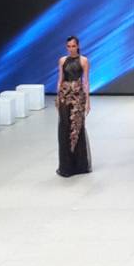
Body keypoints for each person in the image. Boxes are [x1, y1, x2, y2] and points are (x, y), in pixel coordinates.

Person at [55, 36, 91, 177]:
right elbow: (60, 80)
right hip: (64, 98)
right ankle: (66, 166)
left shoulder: (84, 61)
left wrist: (88, 101)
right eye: (68, 46)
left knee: (77, 128)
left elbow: (86, 82)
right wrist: (58, 97)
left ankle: (79, 165)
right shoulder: (62, 60)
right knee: (64, 128)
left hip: (77, 98)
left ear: (78, 46)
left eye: (73, 46)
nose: (71, 49)